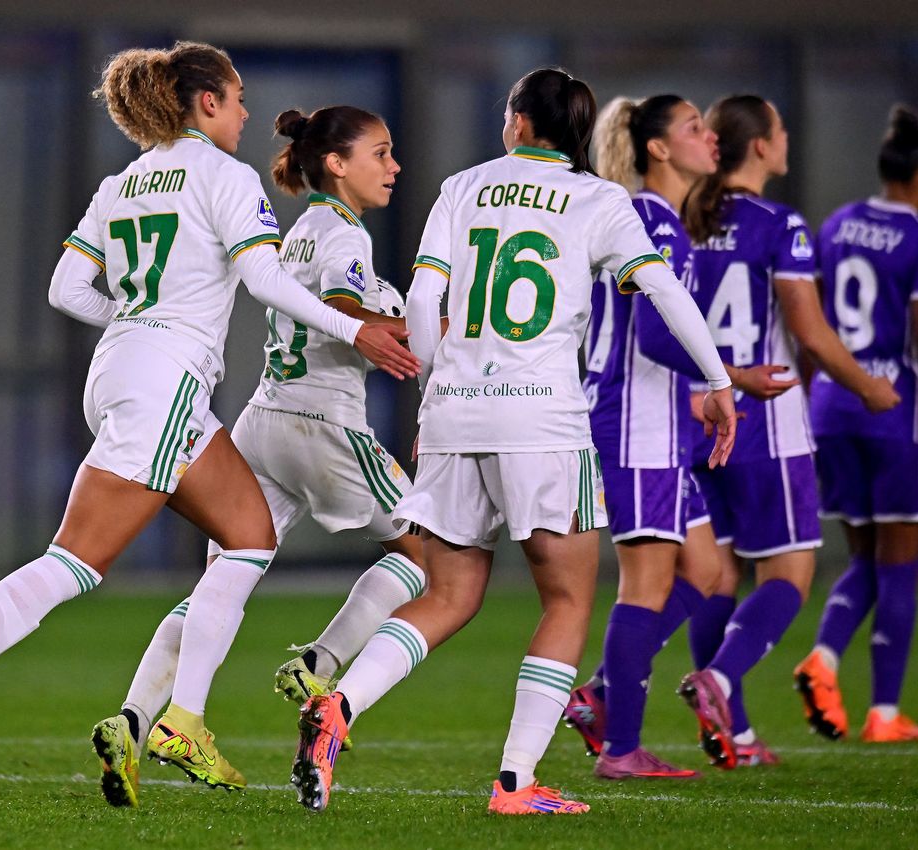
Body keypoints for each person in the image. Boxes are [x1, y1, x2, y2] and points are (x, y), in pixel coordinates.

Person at [0, 41, 418, 790]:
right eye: (234, 100)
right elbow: (262, 279)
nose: (244, 113)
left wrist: (136, 323)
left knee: (247, 536)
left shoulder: (123, 180)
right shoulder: (222, 176)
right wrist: (353, 328)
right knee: (76, 562)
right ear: (205, 103)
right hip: (162, 380)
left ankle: (180, 722)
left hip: (127, 372)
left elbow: (67, 289)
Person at [289, 67, 738, 816]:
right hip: (542, 420)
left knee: (448, 595)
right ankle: (514, 782)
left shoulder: (462, 187)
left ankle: (339, 706)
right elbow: (663, 291)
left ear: (521, 122)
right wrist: (717, 381)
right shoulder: (601, 200)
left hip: (456, 413)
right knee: (565, 598)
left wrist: (436, 383)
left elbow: (427, 298)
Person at [88, 105, 428, 807]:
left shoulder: (301, 229)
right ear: (336, 164)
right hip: (323, 423)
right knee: (435, 554)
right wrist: (429, 328)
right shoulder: (342, 237)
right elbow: (345, 306)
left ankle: (134, 719)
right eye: (380, 153)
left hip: (261, 421)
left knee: (221, 583)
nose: (393, 167)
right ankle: (320, 665)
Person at [564, 94, 799, 779]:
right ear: (660, 149)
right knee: (644, 584)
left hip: (655, 421)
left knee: (707, 570)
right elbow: (655, 333)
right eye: (693, 128)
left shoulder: (656, 220)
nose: (710, 137)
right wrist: (729, 378)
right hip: (632, 425)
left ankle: (603, 696)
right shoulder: (652, 223)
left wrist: (697, 397)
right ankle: (620, 749)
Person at [676, 94, 900, 768]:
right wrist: (864, 386)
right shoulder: (778, 223)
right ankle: (718, 682)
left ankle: (733, 736)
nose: (786, 135)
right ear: (760, 147)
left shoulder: (681, 217)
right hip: (761, 421)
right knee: (789, 574)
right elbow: (806, 330)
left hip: (688, 416)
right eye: (778, 128)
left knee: (714, 579)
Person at [795, 105, 918, 744]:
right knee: (900, 562)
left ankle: (825, 657)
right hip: (892, 409)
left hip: (832, 404)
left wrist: (815, 400)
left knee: (864, 554)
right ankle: (883, 711)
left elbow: (809, 325)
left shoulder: (836, 226)